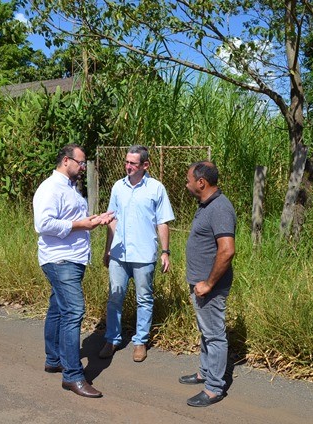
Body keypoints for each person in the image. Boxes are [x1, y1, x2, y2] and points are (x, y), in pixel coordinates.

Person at [33, 144, 114, 398]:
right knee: (74, 311)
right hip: (60, 260)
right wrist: (82, 224)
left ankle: (54, 359)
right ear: (66, 161)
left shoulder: (69, 189)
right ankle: (72, 375)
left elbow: (72, 220)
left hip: (73, 259)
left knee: (58, 307)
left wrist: (94, 220)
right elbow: (42, 224)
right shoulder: (50, 188)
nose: (82, 166)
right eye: (80, 162)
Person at [99, 145, 175, 362]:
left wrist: (165, 251)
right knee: (115, 297)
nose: (128, 166)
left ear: (145, 165)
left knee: (144, 299)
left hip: (143, 255)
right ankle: (112, 339)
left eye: (133, 163)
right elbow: (112, 220)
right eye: (126, 162)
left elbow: (162, 221)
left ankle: (140, 341)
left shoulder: (156, 188)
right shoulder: (118, 187)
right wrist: (107, 250)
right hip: (119, 255)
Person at [179, 161, 236, 407]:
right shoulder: (206, 204)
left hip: (210, 286)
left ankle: (214, 387)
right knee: (206, 331)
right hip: (201, 284)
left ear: (201, 183)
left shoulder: (220, 208)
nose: (186, 183)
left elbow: (227, 251)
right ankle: (205, 371)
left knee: (214, 335)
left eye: (189, 179)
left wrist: (209, 284)